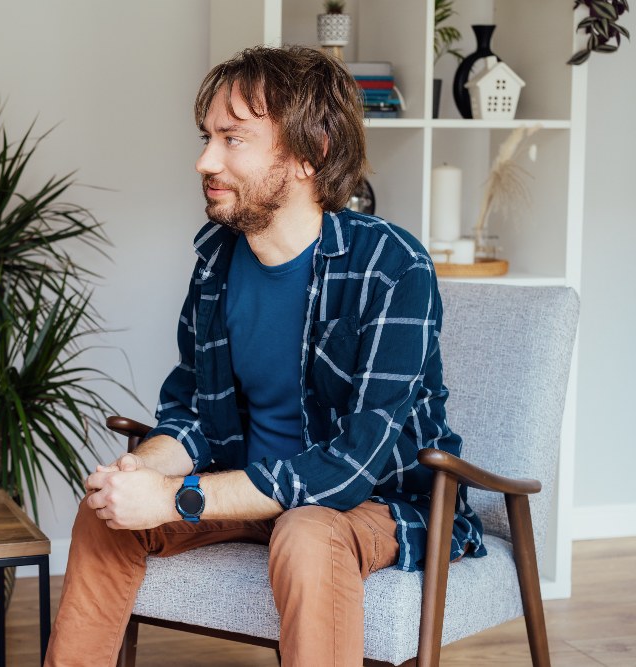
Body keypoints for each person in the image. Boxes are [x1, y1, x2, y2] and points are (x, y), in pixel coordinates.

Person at [45, 45, 486, 667]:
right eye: (207, 138)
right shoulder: (216, 262)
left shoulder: (391, 266)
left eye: (233, 139)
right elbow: (194, 416)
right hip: (252, 493)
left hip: (374, 503)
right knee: (105, 515)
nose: (205, 161)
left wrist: (175, 498)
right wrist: (138, 475)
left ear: (312, 152)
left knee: (306, 530)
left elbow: (352, 467)